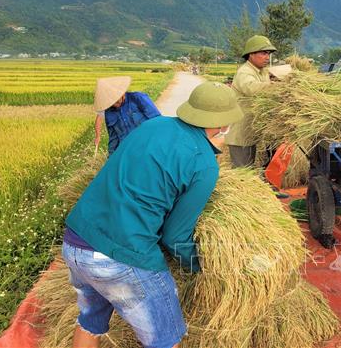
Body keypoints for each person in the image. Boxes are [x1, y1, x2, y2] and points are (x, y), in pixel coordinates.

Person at [62, 82, 243, 348]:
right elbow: (176, 235)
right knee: (166, 340)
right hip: (120, 256)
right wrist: (199, 266)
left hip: (76, 242)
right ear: (221, 124)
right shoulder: (204, 163)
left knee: (90, 322)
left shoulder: (152, 126)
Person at [224, 35, 277, 168]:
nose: (267, 57)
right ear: (251, 54)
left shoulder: (262, 71)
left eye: (268, 53)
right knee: (242, 172)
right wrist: (276, 86)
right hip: (241, 133)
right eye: (263, 53)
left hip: (251, 130)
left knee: (249, 168)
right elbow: (253, 89)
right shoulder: (244, 72)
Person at [93, 76, 161, 155]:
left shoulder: (138, 98)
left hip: (149, 146)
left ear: (122, 93)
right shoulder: (109, 112)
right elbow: (113, 139)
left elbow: (157, 121)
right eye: (111, 103)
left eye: (116, 101)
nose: (115, 105)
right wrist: (112, 158)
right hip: (129, 153)